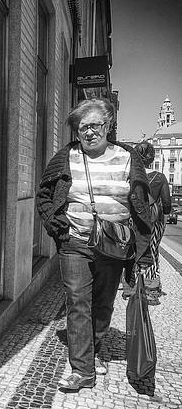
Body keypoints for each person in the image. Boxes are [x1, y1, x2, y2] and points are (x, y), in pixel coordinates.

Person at [36, 98, 151, 392]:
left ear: (108, 125)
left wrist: (143, 253)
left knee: (102, 304)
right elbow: (45, 194)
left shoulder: (128, 158)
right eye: (82, 128)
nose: (88, 132)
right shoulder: (67, 157)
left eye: (94, 125)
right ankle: (83, 370)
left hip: (114, 244)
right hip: (75, 241)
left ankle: (94, 346)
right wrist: (57, 228)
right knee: (77, 301)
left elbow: (141, 204)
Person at [133, 140, 171, 304]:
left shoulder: (131, 175)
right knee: (152, 252)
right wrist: (164, 220)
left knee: (133, 252)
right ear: (151, 158)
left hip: (133, 220)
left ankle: (133, 287)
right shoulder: (160, 177)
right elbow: (167, 203)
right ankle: (151, 290)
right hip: (153, 222)